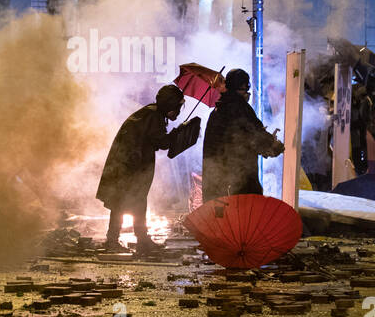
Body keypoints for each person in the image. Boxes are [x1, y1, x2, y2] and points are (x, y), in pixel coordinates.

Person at [96, 84, 185, 253]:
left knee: (130, 202)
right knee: (122, 202)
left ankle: (135, 240)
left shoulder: (150, 113)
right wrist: (177, 133)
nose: (178, 111)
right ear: (169, 104)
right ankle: (116, 241)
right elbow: (162, 142)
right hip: (129, 166)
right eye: (177, 107)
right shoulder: (153, 116)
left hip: (128, 165)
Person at [201, 68, 286, 199]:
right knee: (245, 216)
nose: (247, 93)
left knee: (223, 218)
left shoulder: (217, 111)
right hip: (239, 181)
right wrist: (273, 145)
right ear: (240, 87)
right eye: (245, 89)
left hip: (216, 183)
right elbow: (255, 136)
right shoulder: (240, 108)